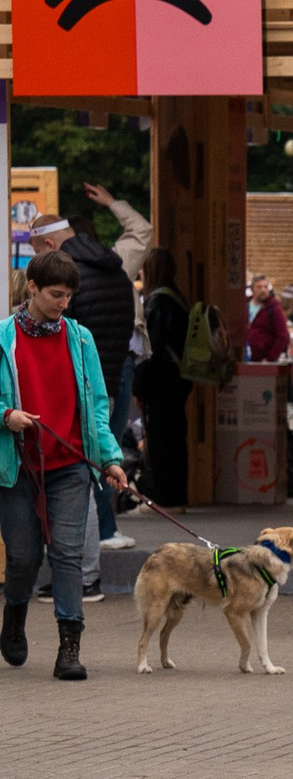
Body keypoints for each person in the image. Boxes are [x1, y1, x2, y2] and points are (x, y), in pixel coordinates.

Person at [2, 250, 130, 680]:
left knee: (68, 554)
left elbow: (96, 406)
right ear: (32, 287)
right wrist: (6, 416)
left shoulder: (80, 338)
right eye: (56, 294)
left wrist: (110, 457)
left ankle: (69, 648)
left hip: (70, 464)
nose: (63, 303)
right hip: (17, 465)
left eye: (69, 296)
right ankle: (15, 617)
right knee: (22, 558)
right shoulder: (3, 336)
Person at [43, 212, 138, 555]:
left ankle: (85, 565)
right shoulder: (115, 269)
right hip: (115, 373)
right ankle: (105, 534)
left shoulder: (71, 280)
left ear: (50, 245)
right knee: (105, 461)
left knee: (81, 473)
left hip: (82, 384)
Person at [134, 247, 193, 507]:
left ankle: (164, 497)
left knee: (160, 441)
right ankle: (177, 494)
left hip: (160, 382)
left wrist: (139, 386)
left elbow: (151, 350)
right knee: (176, 439)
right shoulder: (178, 298)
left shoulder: (156, 302)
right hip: (179, 377)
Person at [243, 274, 290, 363]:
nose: (263, 290)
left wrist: (270, 359)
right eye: (259, 287)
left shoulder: (274, 309)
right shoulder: (244, 306)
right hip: (246, 360)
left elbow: (282, 337)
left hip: (264, 361)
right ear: (252, 289)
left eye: (265, 287)